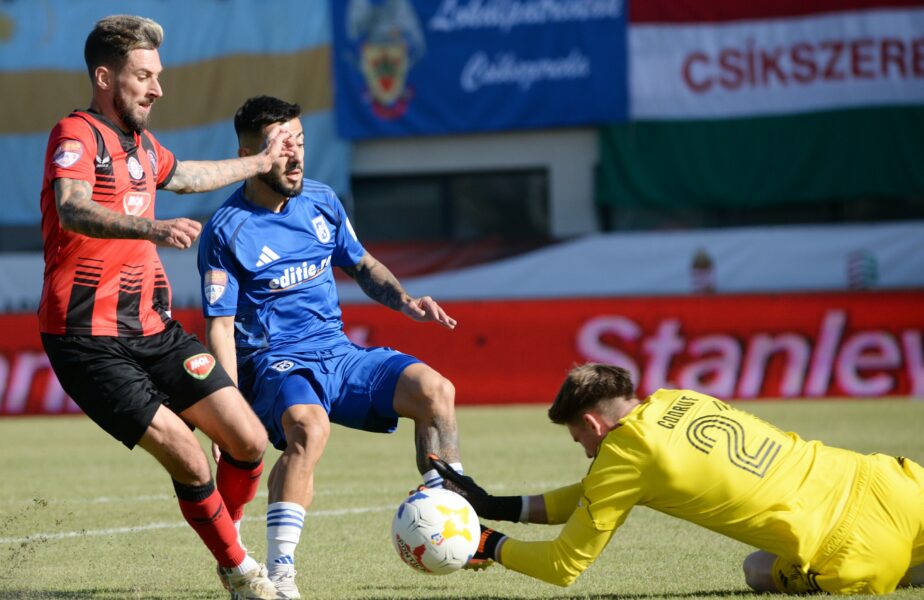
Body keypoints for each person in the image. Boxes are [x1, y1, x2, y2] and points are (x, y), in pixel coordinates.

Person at [38, 15, 297, 600]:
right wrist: (150, 228)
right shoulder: (75, 135)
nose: (157, 89)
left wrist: (258, 163)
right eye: (143, 76)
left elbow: (192, 174)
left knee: (250, 440)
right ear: (105, 77)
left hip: (152, 329)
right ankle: (241, 572)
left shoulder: (143, 147)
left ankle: (222, 540)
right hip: (86, 338)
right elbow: (74, 207)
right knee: (187, 453)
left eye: (158, 76)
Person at [197, 95, 465, 599]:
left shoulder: (321, 201)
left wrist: (406, 301)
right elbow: (220, 328)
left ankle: (449, 514)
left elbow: (361, 266)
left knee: (436, 390)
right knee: (309, 427)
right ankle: (279, 575)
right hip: (275, 363)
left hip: (338, 354)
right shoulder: (225, 230)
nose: (296, 155)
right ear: (249, 154)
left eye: (300, 142)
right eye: (281, 147)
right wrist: (225, 405)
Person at [431, 363, 924, 596]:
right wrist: (497, 504)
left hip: (850, 551)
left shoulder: (626, 454)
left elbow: (564, 566)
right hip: (892, 482)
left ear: (593, 424)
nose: (583, 451)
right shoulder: (679, 398)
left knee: (756, 570)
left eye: (578, 439)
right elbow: (592, 494)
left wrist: (489, 544)